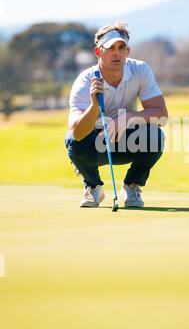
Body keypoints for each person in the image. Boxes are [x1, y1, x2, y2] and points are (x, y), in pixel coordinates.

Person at [65, 22, 168, 208]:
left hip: (129, 140)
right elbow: (77, 132)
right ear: (98, 52)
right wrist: (94, 106)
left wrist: (127, 117)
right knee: (73, 142)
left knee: (155, 136)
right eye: (110, 48)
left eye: (121, 48)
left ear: (128, 51)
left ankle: (132, 185)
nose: (116, 53)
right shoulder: (85, 80)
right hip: (95, 143)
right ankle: (93, 186)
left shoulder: (140, 70)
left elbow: (161, 115)